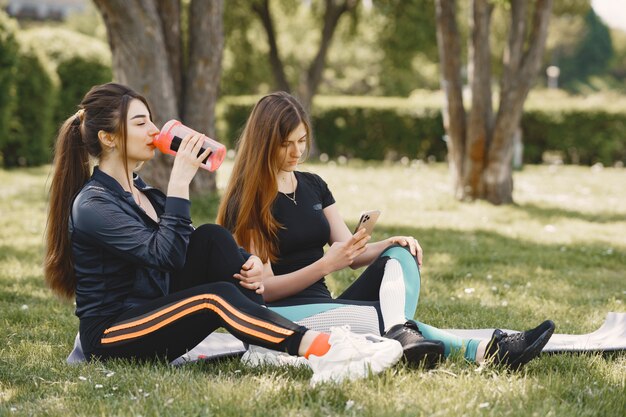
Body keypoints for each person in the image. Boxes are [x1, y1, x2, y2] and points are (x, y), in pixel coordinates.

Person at [43, 83, 403, 385]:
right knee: (213, 299)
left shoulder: (142, 191)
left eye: (151, 119)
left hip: (155, 311)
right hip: (113, 333)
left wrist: (247, 263)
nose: (154, 130)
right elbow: (165, 255)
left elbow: (189, 248)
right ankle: (323, 350)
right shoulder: (93, 205)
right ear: (107, 137)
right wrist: (181, 180)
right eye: (140, 122)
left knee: (213, 236)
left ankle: (268, 346)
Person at [217, 91, 555, 370]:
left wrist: (389, 243)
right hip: (281, 320)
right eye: (286, 144)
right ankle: (487, 350)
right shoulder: (248, 200)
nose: (297, 152)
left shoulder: (314, 185)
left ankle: (401, 331)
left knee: (400, 254)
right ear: (264, 143)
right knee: (370, 317)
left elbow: (350, 253)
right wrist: (325, 266)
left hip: (328, 307)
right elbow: (266, 291)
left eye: (302, 140)